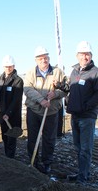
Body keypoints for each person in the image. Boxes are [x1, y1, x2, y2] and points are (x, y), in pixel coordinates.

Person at [55, 41, 98, 184]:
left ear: (91, 55)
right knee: (78, 147)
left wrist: (86, 106)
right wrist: (61, 86)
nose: (84, 57)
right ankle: (81, 172)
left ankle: (83, 178)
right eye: (81, 54)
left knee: (86, 149)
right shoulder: (74, 72)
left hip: (87, 116)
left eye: (87, 54)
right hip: (75, 115)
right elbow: (71, 89)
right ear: (77, 55)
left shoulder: (95, 72)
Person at [24, 46, 66, 174]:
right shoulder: (31, 72)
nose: (44, 60)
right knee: (32, 137)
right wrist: (41, 100)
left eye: (46, 57)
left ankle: (47, 162)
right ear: (36, 60)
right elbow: (27, 89)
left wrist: (56, 94)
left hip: (51, 112)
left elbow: (65, 89)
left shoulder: (58, 72)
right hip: (34, 110)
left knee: (49, 138)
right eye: (41, 58)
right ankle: (33, 161)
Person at [0, 55, 24, 158]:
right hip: (3, 113)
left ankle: (10, 158)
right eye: (6, 66)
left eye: (10, 66)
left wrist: (8, 113)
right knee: (4, 136)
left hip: (12, 114)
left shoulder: (18, 81)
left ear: (13, 66)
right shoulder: (1, 79)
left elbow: (16, 100)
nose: (8, 68)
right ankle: (7, 156)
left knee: (11, 137)